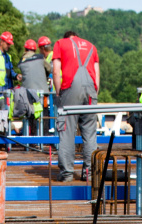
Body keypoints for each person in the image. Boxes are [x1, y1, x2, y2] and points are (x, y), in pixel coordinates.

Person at [52, 30, 99, 182]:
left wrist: (58, 92)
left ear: (67, 37)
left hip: (70, 88)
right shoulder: (92, 46)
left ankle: (67, 173)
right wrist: (94, 93)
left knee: (67, 130)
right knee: (90, 133)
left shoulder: (61, 43)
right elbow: (97, 76)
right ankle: (89, 172)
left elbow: (55, 71)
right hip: (91, 90)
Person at [18, 38, 49, 134]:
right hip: (43, 93)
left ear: (25, 49)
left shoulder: (21, 62)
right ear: (35, 49)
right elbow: (49, 68)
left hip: (28, 94)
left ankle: (32, 139)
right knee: (44, 113)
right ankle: (45, 137)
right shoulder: (40, 57)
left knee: (31, 114)